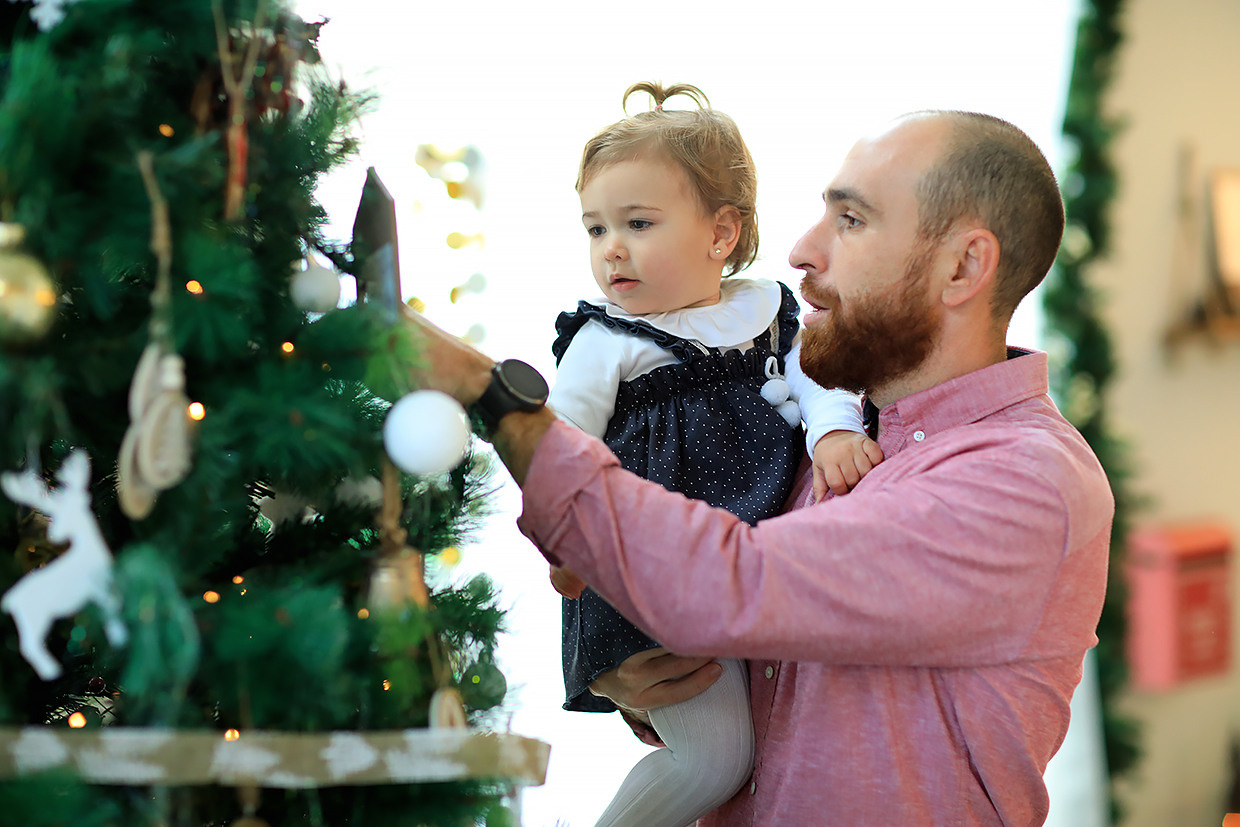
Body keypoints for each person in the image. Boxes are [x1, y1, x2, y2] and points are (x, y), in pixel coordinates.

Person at [404, 110, 1114, 825]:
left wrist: (491, 394)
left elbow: (733, 582)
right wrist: (645, 682)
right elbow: (763, 654)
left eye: (851, 220)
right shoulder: (816, 429)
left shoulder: (1024, 479)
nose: (802, 251)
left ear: (961, 267)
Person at [548, 81, 880, 827]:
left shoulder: (765, 311)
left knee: (756, 738)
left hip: (746, 561)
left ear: (721, 234)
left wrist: (832, 430)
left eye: (637, 222)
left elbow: (814, 374)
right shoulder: (607, 341)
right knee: (712, 759)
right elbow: (557, 449)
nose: (611, 249)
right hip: (650, 569)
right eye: (596, 229)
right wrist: (564, 543)